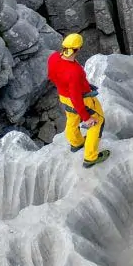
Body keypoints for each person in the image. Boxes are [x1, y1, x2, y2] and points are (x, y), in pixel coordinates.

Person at [46, 33, 110, 168]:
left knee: (72, 119)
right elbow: (76, 96)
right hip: (81, 100)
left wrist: (79, 86)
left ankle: (76, 143)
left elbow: (51, 76)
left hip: (64, 97)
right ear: (78, 49)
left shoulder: (54, 57)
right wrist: (86, 117)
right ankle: (90, 157)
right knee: (97, 122)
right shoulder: (74, 71)